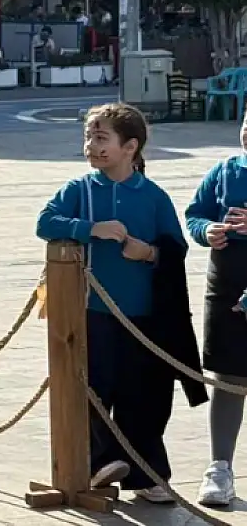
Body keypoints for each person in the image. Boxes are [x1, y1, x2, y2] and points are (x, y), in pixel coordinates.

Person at [36, 103, 192, 505]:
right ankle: (99, 464)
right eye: (89, 136)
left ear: (131, 147)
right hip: (94, 312)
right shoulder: (79, 190)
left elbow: (176, 249)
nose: (92, 145)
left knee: (145, 395)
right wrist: (91, 229)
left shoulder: (153, 197)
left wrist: (149, 254)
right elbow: (45, 223)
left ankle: (148, 474)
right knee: (97, 386)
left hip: (144, 316)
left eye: (102, 138)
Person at [184, 110, 247, 507]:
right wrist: (206, 231)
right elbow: (194, 214)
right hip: (226, 286)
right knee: (229, 380)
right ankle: (220, 468)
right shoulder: (225, 170)